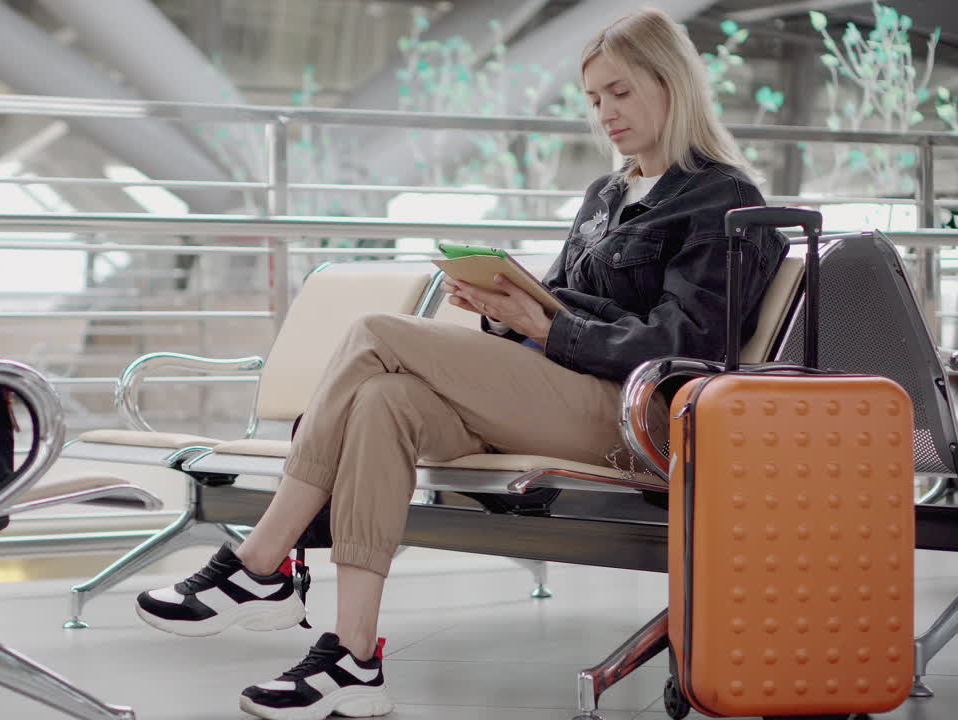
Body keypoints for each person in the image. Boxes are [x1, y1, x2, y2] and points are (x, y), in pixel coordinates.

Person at [135, 6, 788, 720]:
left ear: (671, 83)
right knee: (384, 400)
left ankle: (261, 559)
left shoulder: (726, 200)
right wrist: (504, 305)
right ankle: (352, 656)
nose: (605, 112)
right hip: (557, 391)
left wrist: (549, 324)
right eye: (595, 98)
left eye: (621, 91)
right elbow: (561, 300)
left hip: (637, 417)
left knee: (377, 332)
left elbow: (687, 345)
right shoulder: (605, 195)